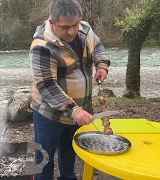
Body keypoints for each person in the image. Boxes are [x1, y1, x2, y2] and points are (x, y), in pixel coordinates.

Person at [29, 0, 110, 179]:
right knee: (43, 157)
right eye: (65, 27)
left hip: (77, 111)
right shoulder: (41, 46)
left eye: (75, 24)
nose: (72, 31)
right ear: (52, 23)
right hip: (48, 114)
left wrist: (102, 64)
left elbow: (97, 46)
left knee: (69, 151)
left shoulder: (85, 28)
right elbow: (47, 85)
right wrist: (73, 110)